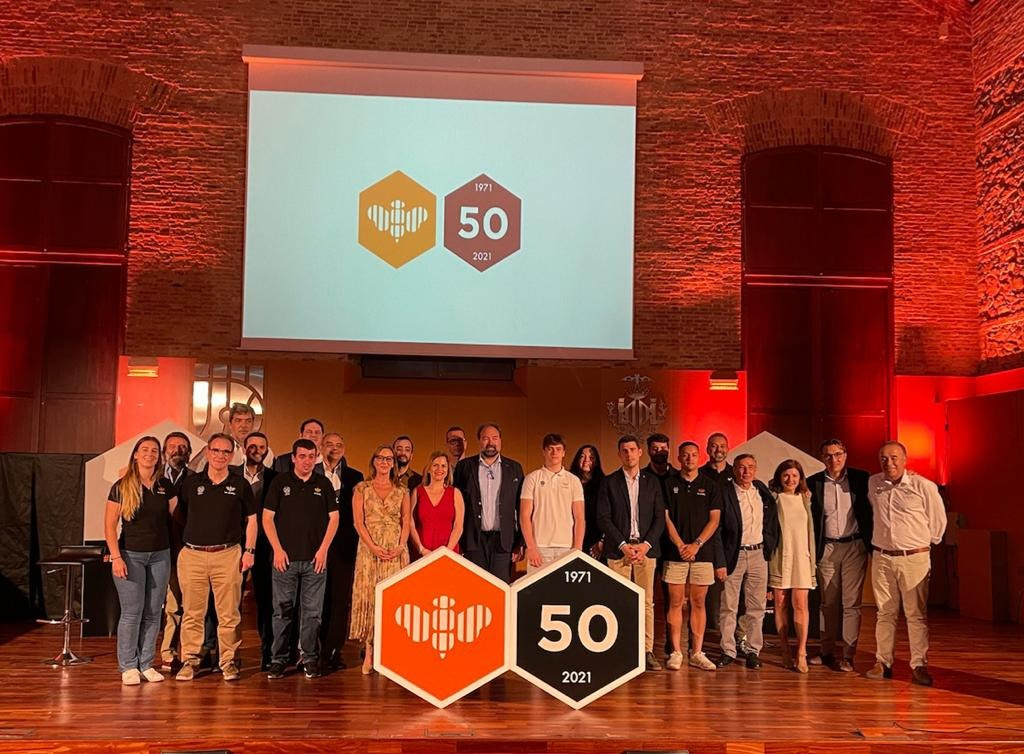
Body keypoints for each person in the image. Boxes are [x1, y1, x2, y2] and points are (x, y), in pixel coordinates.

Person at [175, 433, 257, 682]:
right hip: (193, 555)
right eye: (216, 450)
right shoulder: (191, 483)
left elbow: (252, 520)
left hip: (228, 555)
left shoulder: (240, 484)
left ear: (232, 455)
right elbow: (180, 515)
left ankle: (228, 661)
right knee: (192, 613)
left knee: (229, 614)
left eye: (225, 452)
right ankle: (190, 660)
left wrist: (249, 551)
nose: (220, 455)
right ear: (208, 452)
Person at [865, 441, 947, 687]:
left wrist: (919, 545)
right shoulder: (874, 483)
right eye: (883, 458)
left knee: (915, 614)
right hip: (882, 557)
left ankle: (919, 665)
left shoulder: (924, 486)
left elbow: (938, 523)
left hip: (914, 558)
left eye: (894, 458)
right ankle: (883, 662)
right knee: (884, 612)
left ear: (904, 459)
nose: (888, 463)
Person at [263, 439, 340, 680]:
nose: (307, 461)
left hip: (315, 561)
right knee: (282, 612)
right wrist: (277, 549)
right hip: (284, 561)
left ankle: (309, 658)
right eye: (302, 456)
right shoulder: (280, 482)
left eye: (311, 456)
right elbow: (267, 518)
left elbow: (334, 519)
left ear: (316, 458)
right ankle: (278, 660)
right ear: (293, 458)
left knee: (312, 613)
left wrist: (323, 550)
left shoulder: (323, 484)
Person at [104, 436, 176, 685]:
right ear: (135, 454)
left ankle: (146, 663)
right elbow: (109, 525)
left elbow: (177, 518)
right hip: (130, 555)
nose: (149, 454)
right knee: (132, 613)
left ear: (159, 456)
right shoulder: (121, 486)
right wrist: (116, 557)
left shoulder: (165, 485)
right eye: (144, 450)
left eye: (154, 451)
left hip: (160, 556)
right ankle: (128, 666)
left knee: (154, 612)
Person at [597, 434, 666, 671]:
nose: (629, 454)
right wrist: (623, 545)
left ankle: (646, 651)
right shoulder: (609, 482)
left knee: (646, 603)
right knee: (619, 601)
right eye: (624, 450)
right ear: (619, 454)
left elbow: (659, 518)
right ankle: (622, 650)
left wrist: (645, 545)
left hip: (646, 550)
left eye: (632, 450)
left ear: (640, 452)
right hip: (619, 551)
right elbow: (603, 518)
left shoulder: (652, 482)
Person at [807, 439, 872, 672]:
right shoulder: (813, 482)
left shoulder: (862, 479)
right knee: (828, 603)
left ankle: (848, 655)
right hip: (827, 548)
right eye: (828, 455)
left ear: (845, 455)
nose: (833, 459)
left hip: (855, 546)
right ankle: (826, 652)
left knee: (851, 603)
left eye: (837, 454)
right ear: (822, 458)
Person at [350, 445, 411, 674]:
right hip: (370, 549)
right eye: (381, 458)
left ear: (393, 463)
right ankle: (369, 653)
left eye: (389, 459)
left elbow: (406, 520)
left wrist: (400, 546)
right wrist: (373, 547)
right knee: (371, 599)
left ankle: (390, 653)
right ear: (374, 461)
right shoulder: (362, 489)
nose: (385, 462)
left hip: (395, 550)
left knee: (393, 600)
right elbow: (358, 522)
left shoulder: (402, 490)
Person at [715, 453, 779, 669]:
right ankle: (728, 650)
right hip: (734, 554)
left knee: (756, 607)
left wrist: (768, 545)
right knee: (729, 606)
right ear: (734, 470)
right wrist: (720, 561)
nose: (746, 472)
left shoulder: (761, 490)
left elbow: (772, 520)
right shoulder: (725, 492)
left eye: (750, 467)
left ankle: (753, 650)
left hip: (758, 554)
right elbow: (718, 530)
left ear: (755, 469)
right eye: (741, 467)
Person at [662, 441, 721, 672]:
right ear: (678, 457)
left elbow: (714, 520)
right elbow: (666, 518)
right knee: (676, 602)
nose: (689, 458)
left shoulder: (710, 485)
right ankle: (676, 652)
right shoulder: (668, 484)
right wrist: (680, 545)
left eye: (694, 455)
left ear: (699, 457)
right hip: (675, 553)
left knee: (698, 602)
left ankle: (696, 652)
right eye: (685, 455)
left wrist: (696, 545)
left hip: (702, 554)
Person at [230, 431, 278, 670]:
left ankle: (268, 652)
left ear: (266, 451)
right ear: (244, 449)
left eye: (261, 447)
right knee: (229, 603)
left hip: (266, 546)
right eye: (252, 446)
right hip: (232, 544)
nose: (257, 450)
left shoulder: (275, 478)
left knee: (266, 602)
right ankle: (227, 654)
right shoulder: (230, 474)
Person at [454, 423, 525, 582]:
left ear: (500, 440)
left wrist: (520, 542)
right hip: (473, 541)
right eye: (485, 438)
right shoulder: (464, 467)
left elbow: (521, 508)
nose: (490, 442)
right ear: (479, 441)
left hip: (503, 542)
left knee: (500, 586)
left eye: (494, 438)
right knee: (475, 586)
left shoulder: (514, 468)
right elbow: (456, 506)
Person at [318, 432, 364, 670]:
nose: (334, 448)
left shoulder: (355, 477)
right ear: (321, 447)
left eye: (338, 445)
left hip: (344, 547)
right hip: (315, 546)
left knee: (339, 600)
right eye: (329, 444)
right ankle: (311, 649)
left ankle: (333, 651)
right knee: (316, 600)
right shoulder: (311, 472)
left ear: (344, 449)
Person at [768, 459, 817, 673]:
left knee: (800, 604)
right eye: (786, 475)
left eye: (795, 475)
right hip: (781, 557)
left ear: (800, 478)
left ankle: (801, 651)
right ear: (779, 477)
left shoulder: (806, 498)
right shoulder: (774, 498)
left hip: (802, 558)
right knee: (780, 603)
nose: (790, 479)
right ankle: (785, 648)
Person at [520, 434, 585, 572]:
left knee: (563, 587)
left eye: (558, 449)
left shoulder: (573, 480)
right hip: (539, 548)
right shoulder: (532, 478)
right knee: (538, 586)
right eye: (550, 449)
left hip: (567, 548)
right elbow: (525, 515)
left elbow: (579, 517)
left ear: (564, 452)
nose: (554, 453)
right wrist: (531, 547)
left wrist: (578, 549)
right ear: (544, 451)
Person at [158, 431, 195, 670]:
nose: (177, 450)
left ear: (189, 453)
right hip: (156, 548)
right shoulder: (154, 477)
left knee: (181, 605)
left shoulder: (196, 479)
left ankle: (178, 653)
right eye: (172, 446)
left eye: (183, 447)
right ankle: (149, 654)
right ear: (164, 452)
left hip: (186, 549)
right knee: (157, 606)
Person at [409, 451, 465, 556]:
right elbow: (411, 523)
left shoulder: (455, 493)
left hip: (448, 553)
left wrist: (446, 551)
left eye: (443, 466)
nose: (440, 469)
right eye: (435, 465)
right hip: (422, 554)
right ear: (429, 469)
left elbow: (458, 526)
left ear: (448, 470)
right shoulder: (417, 492)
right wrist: (421, 549)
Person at [192, 403, 274, 470]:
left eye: (248, 421)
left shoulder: (266, 451)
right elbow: (195, 473)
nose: (243, 425)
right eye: (238, 421)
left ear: (253, 424)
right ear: (230, 424)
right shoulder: (215, 449)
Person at [568, 444, 605, 559]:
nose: (586, 460)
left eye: (591, 457)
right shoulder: (568, 481)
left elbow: (608, 515)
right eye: (582, 456)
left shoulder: (604, 484)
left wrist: (602, 542)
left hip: (595, 541)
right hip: (569, 538)